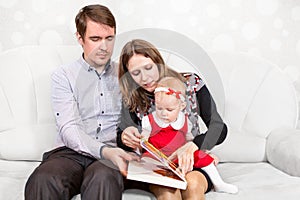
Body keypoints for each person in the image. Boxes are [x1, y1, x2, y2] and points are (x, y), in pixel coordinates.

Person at [25, 4, 138, 200]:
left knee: (103, 178)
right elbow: (69, 127)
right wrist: (104, 151)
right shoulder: (64, 76)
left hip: (111, 154)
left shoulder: (125, 74)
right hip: (69, 153)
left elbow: (142, 113)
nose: (104, 47)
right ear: (80, 38)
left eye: (109, 38)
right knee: (43, 179)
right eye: (95, 39)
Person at [117, 39, 228, 200]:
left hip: (192, 162)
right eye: (136, 73)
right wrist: (124, 136)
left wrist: (194, 145)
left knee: (193, 185)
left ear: (158, 62)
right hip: (158, 166)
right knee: (168, 192)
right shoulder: (131, 97)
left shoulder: (191, 83)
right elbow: (120, 136)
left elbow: (219, 128)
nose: (145, 78)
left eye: (149, 68)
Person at [141, 76, 238, 194]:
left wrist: (200, 149)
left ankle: (218, 183)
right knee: (147, 161)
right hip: (159, 155)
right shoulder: (150, 120)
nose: (163, 113)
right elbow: (143, 139)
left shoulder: (185, 121)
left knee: (201, 157)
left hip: (180, 155)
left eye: (169, 109)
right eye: (159, 108)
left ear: (181, 107)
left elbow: (190, 141)